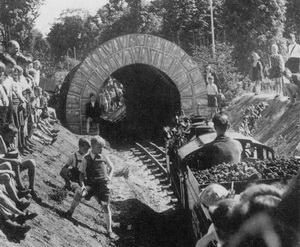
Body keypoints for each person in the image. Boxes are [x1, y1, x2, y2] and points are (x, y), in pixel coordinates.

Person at [63, 136, 117, 240]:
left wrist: (109, 177)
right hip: (91, 185)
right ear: (92, 147)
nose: (101, 149)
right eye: (99, 147)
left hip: (102, 186)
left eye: (102, 147)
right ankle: (70, 211)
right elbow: (81, 174)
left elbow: (112, 167)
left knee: (105, 206)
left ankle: (109, 230)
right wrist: (83, 185)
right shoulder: (86, 158)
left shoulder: (104, 157)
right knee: (79, 193)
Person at [0, 123, 41, 201]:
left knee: (31, 162)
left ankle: (31, 188)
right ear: (4, 134)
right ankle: (21, 188)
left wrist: (13, 154)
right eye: (10, 136)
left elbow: (16, 152)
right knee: (15, 163)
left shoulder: (11, 141)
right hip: (4, 167)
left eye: (14, 136)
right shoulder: (1, 142)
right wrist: (12, 158)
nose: (12, 138)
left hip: (14, 167)